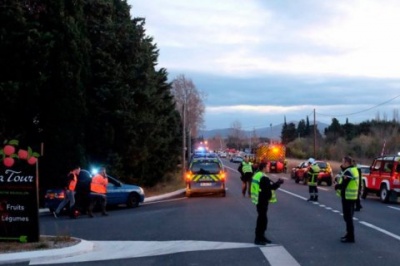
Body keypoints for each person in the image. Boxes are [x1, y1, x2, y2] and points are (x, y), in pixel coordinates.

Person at [251, 162, 284, 245]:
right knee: (262, 220)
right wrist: (279, 183)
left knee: (262, 219)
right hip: (262, 200)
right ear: (263, 168)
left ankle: (262, 237)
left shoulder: (258, 174)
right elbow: (270, 187)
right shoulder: (263, 177)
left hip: (259, 200)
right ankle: (258, 238)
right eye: (267, 166)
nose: (269, 167)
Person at [335, 156, 359, 243]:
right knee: (348, 217)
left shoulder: (349, 171)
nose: (342, 164)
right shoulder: (353, 169)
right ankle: (348, 234)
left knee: (348, 218)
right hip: (352, 197)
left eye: (343, 162)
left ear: (347, 163)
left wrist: (336, 186)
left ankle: (350, 237)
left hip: (348, 197)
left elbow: (344, 184)